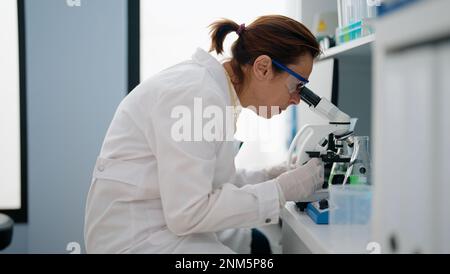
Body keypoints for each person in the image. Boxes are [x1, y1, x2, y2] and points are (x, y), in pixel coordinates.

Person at [84, 15, 324, 254]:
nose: (296, 100)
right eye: (297, 85)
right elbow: (188, 212)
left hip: (161, 231)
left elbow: (206, 180)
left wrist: (268, 177)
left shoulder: (214, 95)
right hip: (138, 242)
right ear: (262, 67)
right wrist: (281, 190)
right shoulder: (196, 95)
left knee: (258, 247)